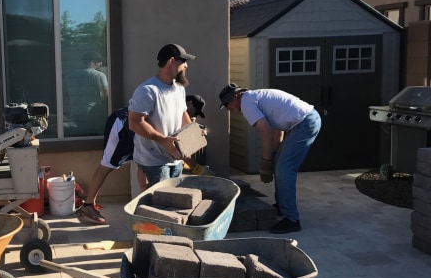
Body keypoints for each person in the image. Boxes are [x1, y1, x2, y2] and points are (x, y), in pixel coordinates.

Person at [80, 91, 208, 225]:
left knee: (142, 160)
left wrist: (194, 138)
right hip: (122, 124)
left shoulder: (178, 115)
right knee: (107, 165)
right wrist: (197, 168)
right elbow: (181, 148)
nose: (194, 116)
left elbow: (183, 145)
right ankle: (88, 205)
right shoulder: (173, 110)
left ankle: (144, 205)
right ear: (188, 103)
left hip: (140, 134)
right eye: (195, 111)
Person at [219, 83, 321, 234]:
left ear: (236, 96)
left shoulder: (246, 102)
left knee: (284, 168)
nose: (228, 109)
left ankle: (291, 219)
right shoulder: (255, 97)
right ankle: (282, 205)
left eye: (227, 104)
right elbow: (276, 128)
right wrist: (275, 153)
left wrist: (266, 163)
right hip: (304, 121)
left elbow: (266, 132)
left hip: (304, 124)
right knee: (280, 164)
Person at [128, 43, 195, 186]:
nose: (186, 66)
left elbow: (183, 115)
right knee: (161, 204)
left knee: (172, 201)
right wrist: (164, 140)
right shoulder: (147, 90)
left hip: (175, 159)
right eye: (183, 62)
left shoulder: (179, 88)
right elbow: (135, 123)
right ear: (171, 61)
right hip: (154, 161)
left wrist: (194, 132)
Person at [65, 51, 109, 134]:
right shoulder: (99, 75)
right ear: (92, 62)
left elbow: (66, 94)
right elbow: (106, 94)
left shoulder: (70, 75)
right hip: (92, 112)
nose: (100, 65)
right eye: (99, 62)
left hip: (74, 110)